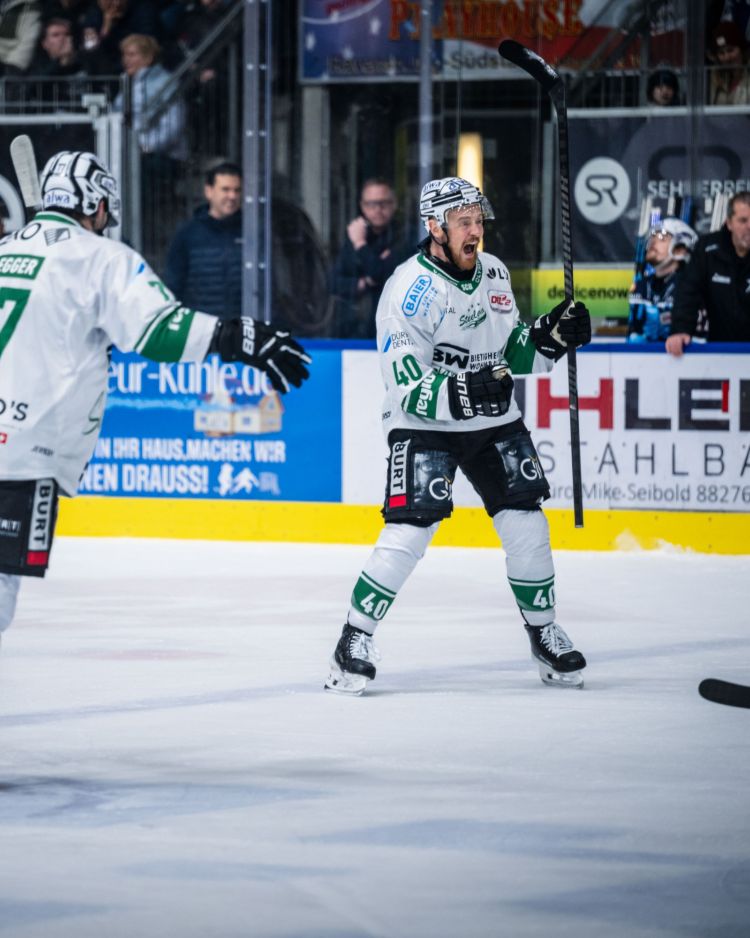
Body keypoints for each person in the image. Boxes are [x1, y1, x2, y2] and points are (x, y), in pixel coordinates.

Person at [0, 149, 311, 640]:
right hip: (21, 454)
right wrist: (238, 337)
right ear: (98, 205)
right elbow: (159, 331)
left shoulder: (5, 249)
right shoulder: (100, 258)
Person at [323, 176, 591, 696]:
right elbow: (406, 385)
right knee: (410, 530)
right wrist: (466, 392)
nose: (474, 231)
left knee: (527, 525)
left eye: (477, 220)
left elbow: (512, 351)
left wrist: (551, 337)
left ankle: (544, 633)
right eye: (462, 222)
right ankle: (353, 639)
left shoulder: (494, 272)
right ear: (435, 227)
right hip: (423, 422)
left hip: (491, 420)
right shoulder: (407, 290)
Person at [666, 191, 750, 354]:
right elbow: (688, 292)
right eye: (743, 220)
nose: (749, 226)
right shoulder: (707, 249)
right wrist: (680, 329)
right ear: (729, 223)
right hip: (718, 351)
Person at [330, 178, 407, 338]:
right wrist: (365, 282)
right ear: (362, 206)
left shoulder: (404, 235)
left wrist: (360, 244)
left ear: (394, 204)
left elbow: (382, 276)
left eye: (383, 203)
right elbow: (332, 283)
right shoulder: (354, 236)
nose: (378, 209)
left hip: (393, 329)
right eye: (371, 204)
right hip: (352, 329)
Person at [164, 161, 242, 320]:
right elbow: (173, 286)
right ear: (209, 191)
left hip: (243, 326)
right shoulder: (187, 234)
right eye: (225, 189)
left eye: (237, 190)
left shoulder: (253, 233)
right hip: (201, 326)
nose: (232, 196)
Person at [627, 217, 698, 342]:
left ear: (680, 249)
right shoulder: (641, 286)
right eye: (652, 238)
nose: (653, 242)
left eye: (662, 238)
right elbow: (633, 336)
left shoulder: (691, 288)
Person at [708, 21, 750, 105]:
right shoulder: (716, 78)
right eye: (721, 53)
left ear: (742, 50)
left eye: (730, 50)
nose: (727, 57)